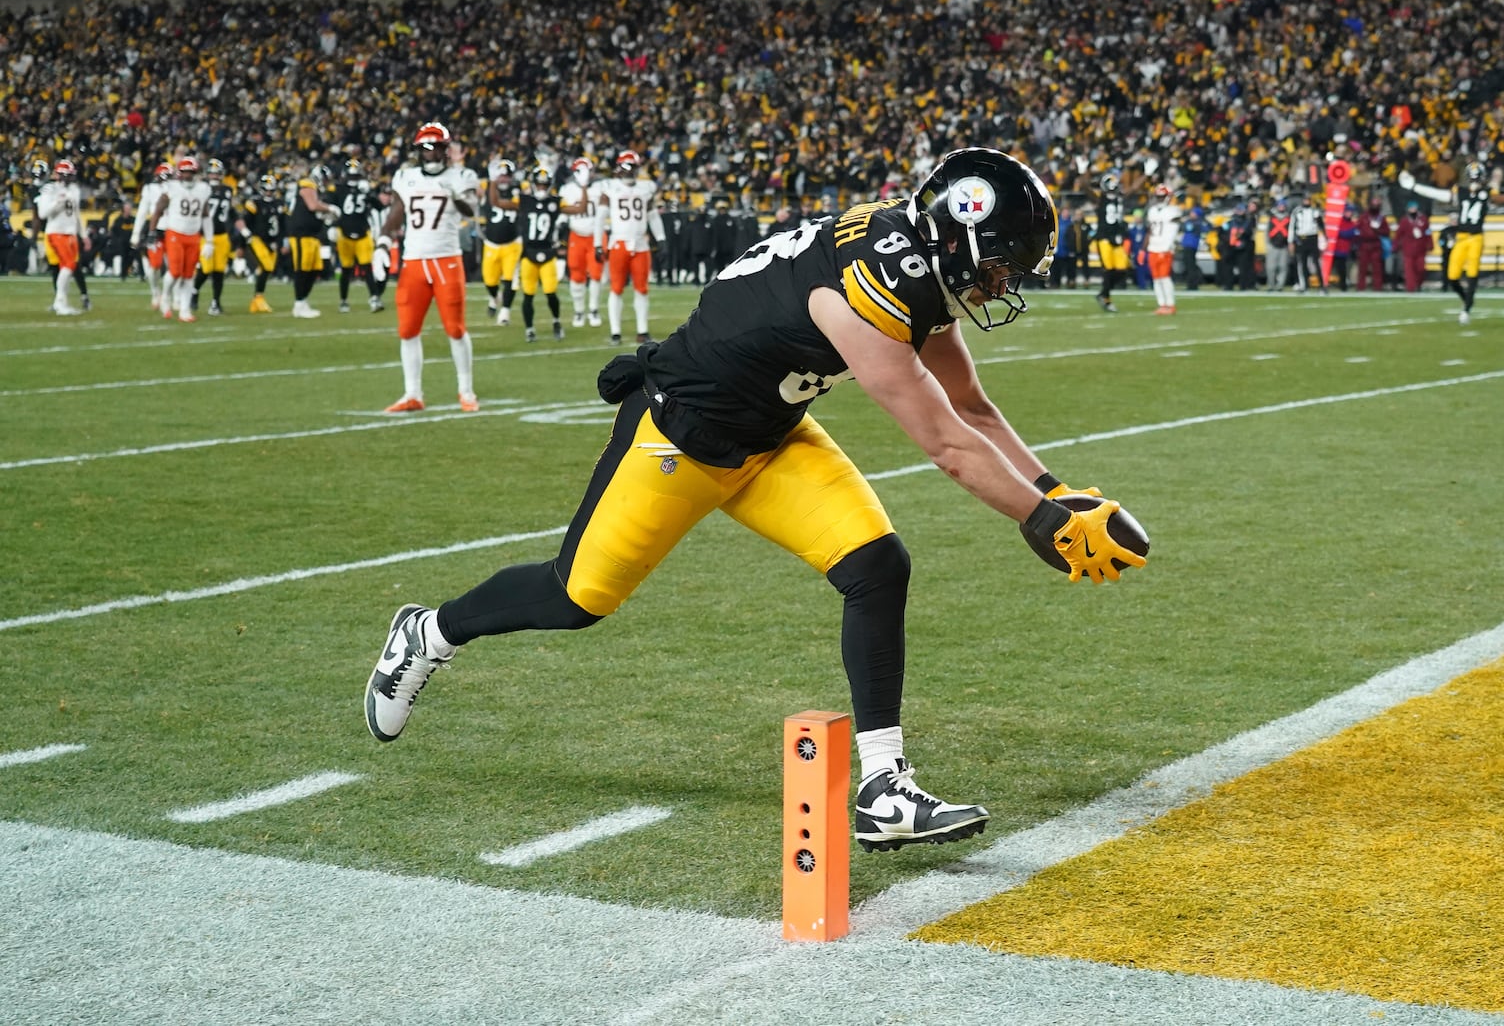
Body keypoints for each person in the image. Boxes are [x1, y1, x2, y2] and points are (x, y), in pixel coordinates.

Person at [362, 146, 1148, 853]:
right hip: (679, 439)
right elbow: (944, 444)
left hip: (771, 435)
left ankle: (882, 789)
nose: (1006, 281)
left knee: (878, 565)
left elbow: (972, 405)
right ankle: (430, 630)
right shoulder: (873, 282)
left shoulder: (919, 263)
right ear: (957, 234)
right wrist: (1043, 521)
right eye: (1004, 261)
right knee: (578, 596)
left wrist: (1056, 492)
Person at [371, 121, 481, 414]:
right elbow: (397, 213)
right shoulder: (405, 177)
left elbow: (473, 209)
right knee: (407, 330)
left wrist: (455, 196)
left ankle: (466, 391)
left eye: (434, 148)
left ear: (445, 150)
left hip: (446, 260)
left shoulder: (462, 176)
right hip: (414, 261)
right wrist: (383, 242)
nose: (429, 154)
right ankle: (412, 393)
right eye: (424, 149)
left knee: (455, 329)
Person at [1398, 160, 1502, 324]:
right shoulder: (1460, 191)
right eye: (1472, 178)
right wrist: (1414, 187)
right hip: (1461, 237)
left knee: (1472, 273)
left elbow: (1500, 193)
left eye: (1476, 178)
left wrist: (1498, 179)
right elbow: (1440, 195)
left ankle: (1466, 309)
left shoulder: (1488, 192)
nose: (1474, 181)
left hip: (1476, 237)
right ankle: (1467, 299)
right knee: (1452, 276)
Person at [596, 149, 667, 346]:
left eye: (633, 168)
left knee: (642, 289)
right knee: (616, 288)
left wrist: (661, 239)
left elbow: (653, 216)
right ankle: (615, 331)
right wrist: (597, 243)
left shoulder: (645, 189)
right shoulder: (609, 187)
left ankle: (642, 330)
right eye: (627, 168)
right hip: (618, 242)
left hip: (641, 244)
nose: (629, 172)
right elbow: (600, 218)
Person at [150, 157, 216, 322]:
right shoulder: (172, 188)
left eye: (191, 172)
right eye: (185, 172)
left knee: (189, 275)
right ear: (179, 173)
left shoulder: (203, 189)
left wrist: (209, 240)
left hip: (194, 235)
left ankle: (185, 310)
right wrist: (151, 232)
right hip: (175, 233)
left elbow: (206, 216)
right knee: (175, 272)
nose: (187, 176)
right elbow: (158, 210)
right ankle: (165, 297)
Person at [33, 159, 88, 316]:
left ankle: (61, 301)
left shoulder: (74, 190)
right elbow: (43, 213)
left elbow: (76, 214)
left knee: (69, 267)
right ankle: (60, 302)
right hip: (56, 231)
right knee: (68, 266)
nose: (71, 178)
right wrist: (58, 202)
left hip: (70, 233)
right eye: (69, 175)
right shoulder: (49, 189)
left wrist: (83, 235)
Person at [517, 164, 564, 342]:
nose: (542, 188)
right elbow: (499, 203)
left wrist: (582, 188)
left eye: (545, 185)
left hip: (548, 252)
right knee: (528, 294)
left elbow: (579, 209)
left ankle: (556, 321)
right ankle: (529, 329)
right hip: (529, 253)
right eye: (540, 184)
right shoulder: (524, 200)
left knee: (550, 291)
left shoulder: (556, 201)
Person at [286, 163, 337, 319]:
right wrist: (330, 209)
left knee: (314, 269)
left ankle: (303, 301)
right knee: (303, 269)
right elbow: (312, 205)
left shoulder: (317, 189)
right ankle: (298, 304)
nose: (327, 182)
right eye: (325, 179)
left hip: (312, 235)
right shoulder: (307, 183)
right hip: (302, 234)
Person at [559, 156, 605, 328]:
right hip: (576, 235)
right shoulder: (567, 189)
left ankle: (593, 309)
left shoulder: (601, 187)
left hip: (596, 235)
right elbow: (562, 211)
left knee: (596, 274)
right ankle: (579, 311)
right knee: (576, 274)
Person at [334, 158, 384, 314]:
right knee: (346, 269)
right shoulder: (339, 190)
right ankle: (343, 300)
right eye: (351, 177)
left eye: (355, 177)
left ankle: (374, 298)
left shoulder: (365, 188)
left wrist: (369, 193)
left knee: (367, 268)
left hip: (363, 232)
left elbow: (379, 206)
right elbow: (332, 207)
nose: (353, 180)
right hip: (344, 233)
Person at [237, 174, 287, 313]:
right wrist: (241, 245)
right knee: (266, 267)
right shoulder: (254, 203)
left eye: (271, 190)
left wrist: (283, 242)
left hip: (273, 242)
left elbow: (283, 226)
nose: (269, 192)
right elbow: (245, 223)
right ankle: (259, 298)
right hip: (257, 239)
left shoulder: (279, 203)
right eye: (266, 189)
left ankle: (256, 300)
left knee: (267, 269)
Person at [481, 158, 523, 325]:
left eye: (507, 176)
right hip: (491, 243)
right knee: (489, 281)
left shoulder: (518, 191)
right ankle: (494, 297)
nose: (504, 179)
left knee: (510, 280)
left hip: (512, 244)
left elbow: (496, 202)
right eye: (501, 176)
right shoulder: (487, 189)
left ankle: (505, 311)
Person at [131, 160, 173, 312]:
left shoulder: (177, 189)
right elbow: (142, 212)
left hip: (174, 229)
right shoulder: (149, 189)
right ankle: (156, 292)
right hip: (156, 230)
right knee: (154, 265)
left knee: (174, 266)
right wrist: (135, 233)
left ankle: (174, 296)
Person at [195, 159, 235, 316]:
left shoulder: (228, 190)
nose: (214, 175)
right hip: (205, 235)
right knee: (206, 269)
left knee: (219, 271)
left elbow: (230, 211)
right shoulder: (201, 189)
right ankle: (194, 290)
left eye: (216, 173)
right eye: (211, 172)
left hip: (222, 235)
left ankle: (215, 303)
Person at [1092, 171, 1128, 311]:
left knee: (1122, 270)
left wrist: (1146, 175)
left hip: (1116, 240)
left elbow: (1133, 190)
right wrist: (1082, 172)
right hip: (1104, 238)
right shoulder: (1100, 200)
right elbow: (1085, 187)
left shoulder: (1119, 199)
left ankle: (1103, 294)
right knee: (1108, 270)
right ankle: (1106, 298)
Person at [1145, 185, 1182, 315]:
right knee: (1156, 278)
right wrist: (1143, 249)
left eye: (1162, 196)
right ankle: (1161, 304)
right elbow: (1150, 230)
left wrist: (1167, 247)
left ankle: (1170, 304)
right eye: (1158, 196)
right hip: (1153, 247)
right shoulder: (1152, 211)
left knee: (1164, 277)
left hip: (1165, 248)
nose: (1160, 199)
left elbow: (1174, 227)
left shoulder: (1173, 211)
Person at [1289, 196, 1328, 294]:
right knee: (1302, 263)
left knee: (1316, 263)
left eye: (1308, 200)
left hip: (1313, 238)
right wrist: (1290, 241)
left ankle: (1322, 286)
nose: (1306, 201)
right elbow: (1292, 226)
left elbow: (1321, 225)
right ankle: (1304, 285)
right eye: (1305, 200)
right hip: (1301, 239)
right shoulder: (1297, 211)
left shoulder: (1315, 211)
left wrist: (1325, 238)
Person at [1354, 197, 1390, 291]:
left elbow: (1386, 231)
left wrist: (1378, 230)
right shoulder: (1364, 217)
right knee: (1363, 267)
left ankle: (1377, 287)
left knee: (1377, 268)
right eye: (1374, 205)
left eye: (1377, 205)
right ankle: (1361, 287)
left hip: (1376, 244)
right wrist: (1358, 240)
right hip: (1364, 245)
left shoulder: (1381, 218)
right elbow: (1357, 229)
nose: (1375, 206)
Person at [1395, 200, 1432, 292]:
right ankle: (1410, 288)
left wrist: (1430, 244)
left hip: (1420, 247)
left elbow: (1428, 232)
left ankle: (1418, 284)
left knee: (1421, 269)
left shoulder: (1423, 219)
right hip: (1408, 248)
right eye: (1411, 208)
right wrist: (1395, 245)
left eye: (1414, 207)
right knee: (1409, 270)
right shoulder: (1404, 220)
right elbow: (1399, 234)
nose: (1413, 209)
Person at [1264, 198, 1292, 290]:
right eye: (1280, 206)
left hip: (1284, 246)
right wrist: (1267, 243)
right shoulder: (1272, 218)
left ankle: (1280, 285)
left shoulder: (1289, 218)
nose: (1281, 207)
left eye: (1283, 206)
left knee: (1283, 267)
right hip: (1273, 245)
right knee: (1271, 267)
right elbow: (1267, 231)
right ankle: (1271, 285)